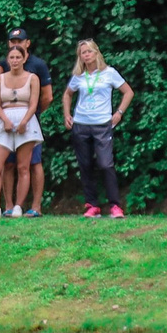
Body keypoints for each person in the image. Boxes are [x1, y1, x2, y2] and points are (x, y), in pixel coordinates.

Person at [63, 38, 134, 217]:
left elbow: (128, 92)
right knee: (85, 164)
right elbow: (67, 94)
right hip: (81, 124)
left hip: (102, 124)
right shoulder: (78, 75)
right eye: (82, 53)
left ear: (96, 53)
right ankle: (92, 206)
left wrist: (119, 113)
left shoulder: (109, 73)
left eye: (89, 51)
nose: (86, 55)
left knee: (105, 164)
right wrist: (67, 114)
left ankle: (115, 206)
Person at [0, 39, 42, 217]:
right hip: (5, 118)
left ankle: (18, 206)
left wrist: (24, 121)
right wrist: (5, 121)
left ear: (24, 58)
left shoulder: (33, 78)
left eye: (18, 57)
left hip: (27, 119)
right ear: (8, 60)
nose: (15, 60)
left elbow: (34, 104)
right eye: (12, 57)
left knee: (23, 167)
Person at [10, 28, 54, 215]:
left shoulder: (38, 64)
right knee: (9, 163)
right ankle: (10, 206)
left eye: (20, 41)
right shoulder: (7, 63)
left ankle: (36, 206)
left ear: (27, 43)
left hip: (30, 121)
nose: (16, 44)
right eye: (13, 41)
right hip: (9, 122)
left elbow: (48, 96)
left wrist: (34, 113)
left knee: (34, 163)